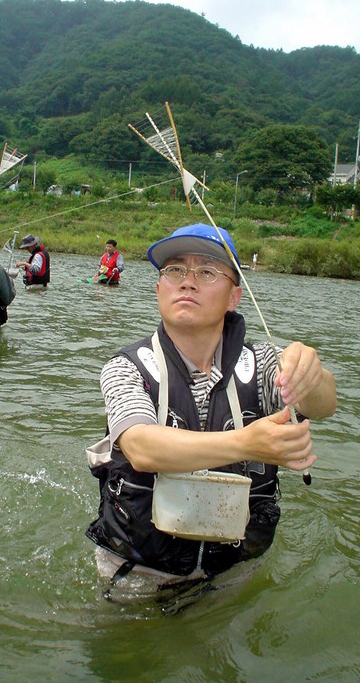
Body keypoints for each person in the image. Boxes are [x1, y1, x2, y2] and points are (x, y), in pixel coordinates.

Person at [86, 222, 336, 583]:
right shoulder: (126, 367)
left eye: (206, 271)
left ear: (234, 296)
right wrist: (245, 444)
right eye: (175, 270)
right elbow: (141, 446)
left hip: (236, 572)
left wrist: (310, 373)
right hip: (138, 573)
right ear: (159, 289)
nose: (188, 281)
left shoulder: (264, 363)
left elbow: (324, 404)